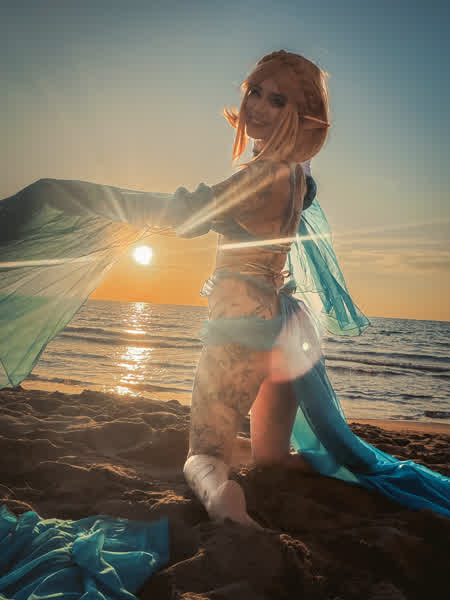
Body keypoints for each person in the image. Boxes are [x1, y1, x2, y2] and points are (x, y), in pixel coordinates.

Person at [0, 51, 449, 522]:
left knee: (202, 458)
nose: (257, 105)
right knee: (271, 458)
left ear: (300, 116)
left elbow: (183, 215)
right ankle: (339, 474)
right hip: (283, 326)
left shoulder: (260, 177)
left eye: (277, 100)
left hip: (241, 328)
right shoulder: (298, 175)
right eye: (254, 91)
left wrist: (68, 196)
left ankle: (229, 511)